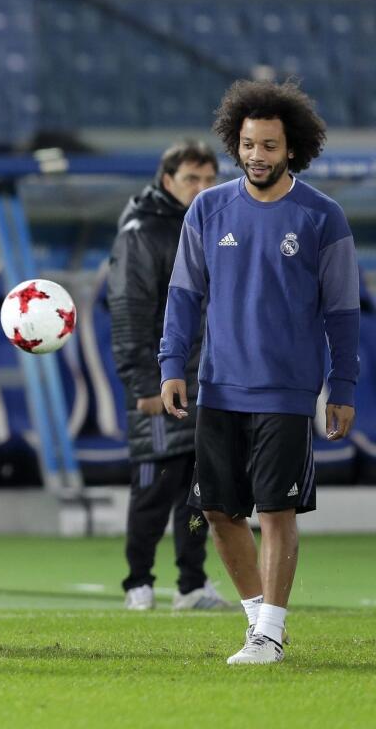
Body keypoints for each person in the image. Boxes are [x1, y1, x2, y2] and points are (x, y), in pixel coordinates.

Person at [160, 80, 358, 665]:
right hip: (219, 386)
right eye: (248, 145)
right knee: (219, 512)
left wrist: (341, 385)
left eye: (269, 146)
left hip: (287, 389)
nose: (256, 156)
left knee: (275, 510)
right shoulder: (207, 207)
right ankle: (260, 623)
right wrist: (172, 364)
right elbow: (182, 296)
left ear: (290, 149)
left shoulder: (323, 217)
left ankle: (269, 634)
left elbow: (343, 311)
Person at [107, 140, 232, 612]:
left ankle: (192, 584)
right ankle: (138, 582)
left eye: (208, 179)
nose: (202, 188)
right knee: (154, 489)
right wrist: (143, 385)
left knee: (199, 493)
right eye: (191, 180)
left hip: (209, 383)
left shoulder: (211, 225)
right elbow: (128, 312)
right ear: (167, 182)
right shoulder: (141, 233)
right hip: (162, 384)